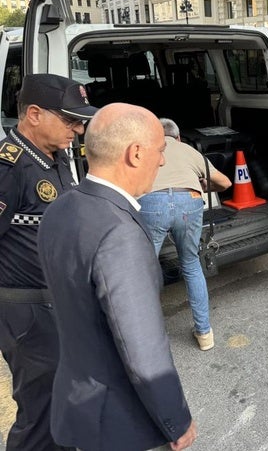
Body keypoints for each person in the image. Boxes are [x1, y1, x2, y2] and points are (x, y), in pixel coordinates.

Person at [37, 103, 198, 451]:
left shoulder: (59, 208)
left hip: (76, 402)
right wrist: (176, 419)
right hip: (118, 422)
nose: (163, 161)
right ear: (136, 153)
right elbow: (143, 348)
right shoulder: (119, 231)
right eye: (160, 150)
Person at [0, 74, 97, 451]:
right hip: (28, 313)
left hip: (55, 304)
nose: (79, 128)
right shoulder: (10, 167)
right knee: (40, 413)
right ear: (35, 114)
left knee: (64, 402)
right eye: (71, 119)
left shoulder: (54, 158)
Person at [139, 118, 231, 351]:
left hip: (152, 203)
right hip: (189, 201)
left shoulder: (146, 149)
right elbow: (225, 183)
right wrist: (204, 186)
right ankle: (204, 335)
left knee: (144, 271)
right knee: (191, 263)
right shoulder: (189, 150)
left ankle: (143, 338)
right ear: (178, 137)